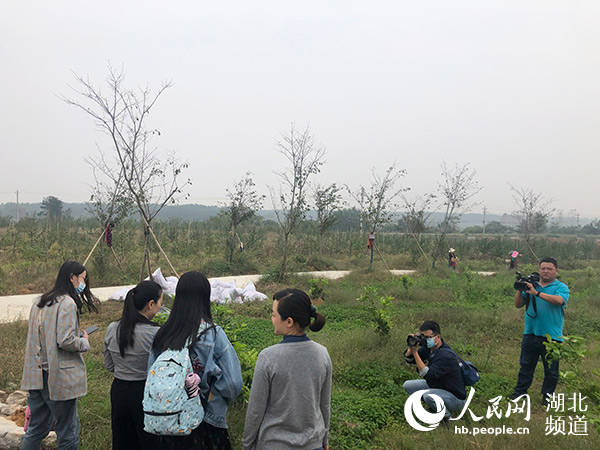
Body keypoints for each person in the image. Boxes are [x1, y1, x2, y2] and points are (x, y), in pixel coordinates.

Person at [149, 271, 242, 449]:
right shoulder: (214, 335)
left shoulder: (162, 335)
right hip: (207, 422)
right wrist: (211, 394)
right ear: (205, 297)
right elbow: (233, 384)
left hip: (170, 423)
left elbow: (152, 379)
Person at [21, 261, 98, 449]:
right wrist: (84, 341)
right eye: (83, 278)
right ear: (72, 277)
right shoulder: (67, 303)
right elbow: (65, 341)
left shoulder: (41, 301)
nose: (84, 283)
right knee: (68, 433)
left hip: (36, 374)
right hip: (57, 377)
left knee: (36, 429)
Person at [242, 288, 331, 450]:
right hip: (313, 444)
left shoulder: (268, 358)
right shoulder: (322, 354)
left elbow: (255, 412)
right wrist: (324, 440)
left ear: (289, 322)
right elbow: (324, 404)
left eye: (274, 314)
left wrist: (247, 445)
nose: (272, 318)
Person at [104, 280, 163, 450]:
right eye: (160, 303)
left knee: (122, 440)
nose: (160, 307)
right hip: (146, 393)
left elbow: (109, 365)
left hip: (119, 391)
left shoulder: (112, 328)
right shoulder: (155, 333)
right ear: (150, 304)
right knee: (149, 441)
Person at [510, 257, 569, 405]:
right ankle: (519, 393)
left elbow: (559, 301)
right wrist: (521, 289)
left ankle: (547, 398)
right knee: (526, 366)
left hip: (552, 336)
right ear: (539, 269)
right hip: (530, 333)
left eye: (549, 268)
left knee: (551, 371)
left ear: (556, 270)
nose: (546, 271)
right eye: (543, 268)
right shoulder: (532, 285)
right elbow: (518, 305)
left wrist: (536, 293)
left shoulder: (561, 287)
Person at [403, 320, 466, 419]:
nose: (425, 340)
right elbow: (410, 360)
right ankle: (435, 406)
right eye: (423, 336)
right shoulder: (429, 349)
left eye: (428, 337)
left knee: (429, 396)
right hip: (439, 386)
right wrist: (411, 348)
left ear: (438, 337)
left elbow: (427, 374)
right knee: (408, 386)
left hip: (455, 398)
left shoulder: (446, 355)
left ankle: (446, 418)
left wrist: (415, 353)